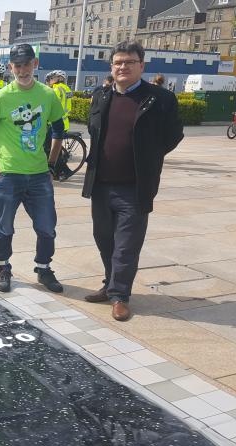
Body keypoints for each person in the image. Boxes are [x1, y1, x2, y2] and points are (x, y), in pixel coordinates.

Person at [83, 40, 183, 321]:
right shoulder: (101, 96)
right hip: (101, 185)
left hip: (134, 188)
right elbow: (95, 131)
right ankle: (110, 283)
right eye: (118, 62)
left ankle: (120, 296)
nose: (122, 67)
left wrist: (147, 156)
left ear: (142, 65)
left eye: (129, 62)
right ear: (111, 67)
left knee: (126, 245)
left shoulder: (160, 99)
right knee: (104, 240)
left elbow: (173, 136)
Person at [0, 43, 67, 294]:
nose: (22, 70)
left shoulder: (48, 95)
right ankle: (3, 267)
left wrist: (52, 164)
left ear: (35, 64)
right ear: (11, 67)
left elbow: (58, 131)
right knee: (5, 227)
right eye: (17, 66)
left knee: (47, 227)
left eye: (27, 65)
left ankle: (44, 268)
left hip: (38, 177)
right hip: (8, 175)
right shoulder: (1, 97)